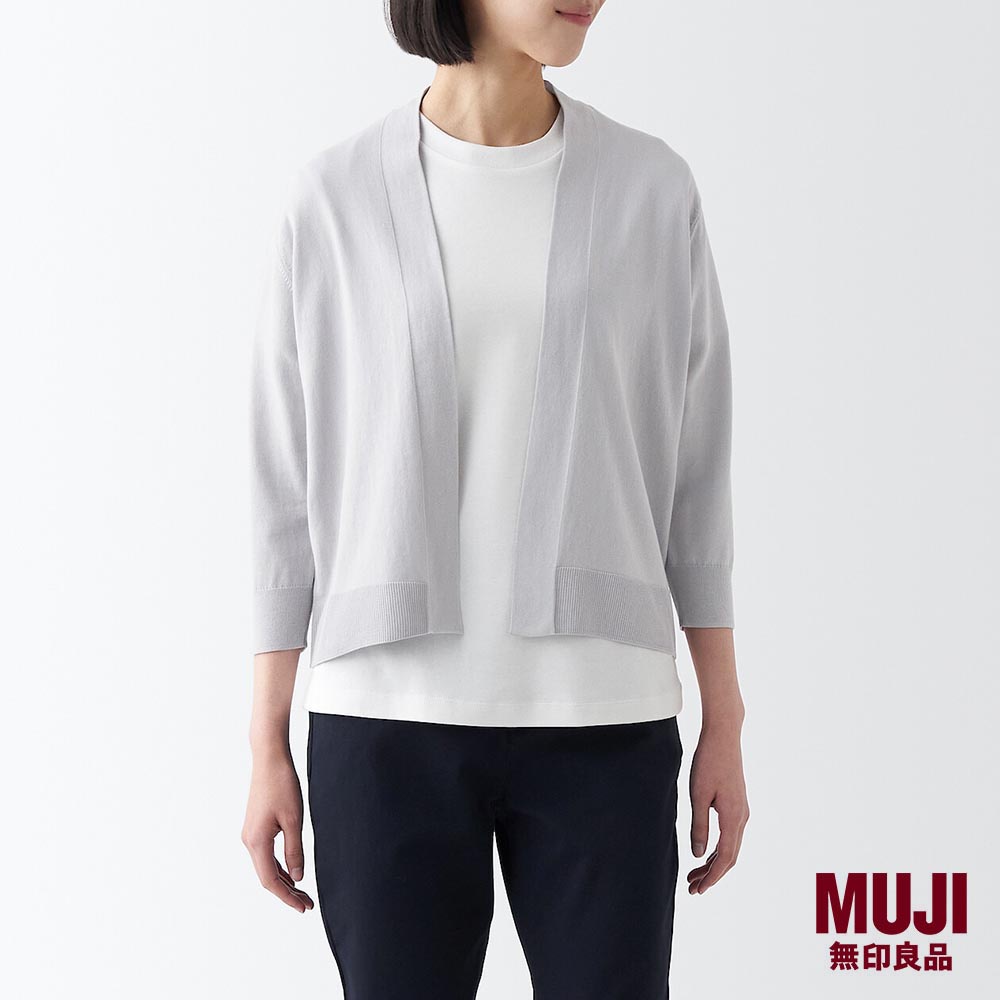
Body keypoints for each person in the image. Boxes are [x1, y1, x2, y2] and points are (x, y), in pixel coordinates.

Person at [242, 1, 749, 996]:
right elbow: (283, 491)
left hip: (604, 721)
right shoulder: (331, 199)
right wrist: (265, 740)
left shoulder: (653, 190)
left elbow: (697, 472)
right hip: (382, 724)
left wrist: (724, 719)